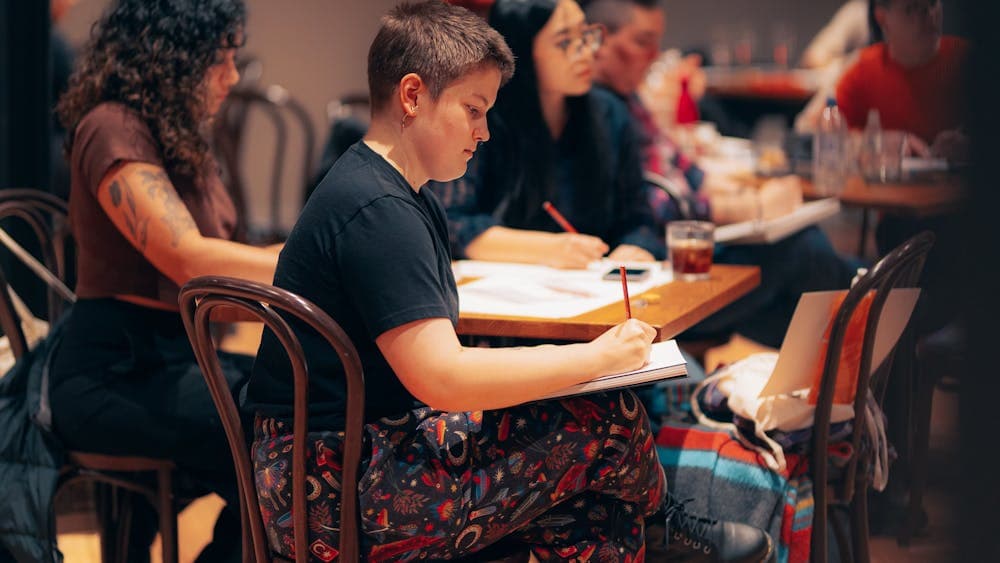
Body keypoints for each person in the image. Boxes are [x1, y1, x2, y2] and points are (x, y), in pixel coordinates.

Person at [243, 2, 679, 561]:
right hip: (334, 491)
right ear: (412, 95)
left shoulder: (392, 190)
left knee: (591, 514)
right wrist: (599, 359)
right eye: (474, 109)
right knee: (609, 418)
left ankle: (655, 529)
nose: (485, 131)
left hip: (352, 458)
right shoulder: (377, 207)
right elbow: (443, 379)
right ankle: (666, 530)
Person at [52, 1, 281, 561]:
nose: (230, 75)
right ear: (174, 57)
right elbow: (189, 260)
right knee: (287, 429)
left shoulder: (173, 136)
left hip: (175, 361)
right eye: (220, 59)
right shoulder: (113, 126)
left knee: (306, 406)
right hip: (115, 373)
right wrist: (324, 270)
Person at [585, 0, 858, 348]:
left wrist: (751, 199)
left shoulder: (628, 99)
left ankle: (868, 318)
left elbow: (686, 173)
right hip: (652, 269)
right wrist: (748, 208)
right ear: (600, 40)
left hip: (674, 253)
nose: (654, 55)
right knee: (808, 257)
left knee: (810, 275)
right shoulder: (600, 108)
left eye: (657, 42)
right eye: (643, 41)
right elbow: (652, 202)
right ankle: (880, 313)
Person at [430, 0, 661, 269]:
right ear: (521, 49)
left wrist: (635, 247)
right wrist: (548, 249)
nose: (587, 52)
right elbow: (448, 221)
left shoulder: (610, 114)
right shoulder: (483, 117)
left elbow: (638, 218)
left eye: (586, 35)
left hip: (596, 284)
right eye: (565, 42)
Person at [835, 0, 969, 160]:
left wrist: (979, 145)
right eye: (912, 8)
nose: (929, 15)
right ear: (882, 18)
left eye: (933, 4)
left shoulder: (969, 61)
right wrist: (875, 143)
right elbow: (814, 136)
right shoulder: (864, 71)